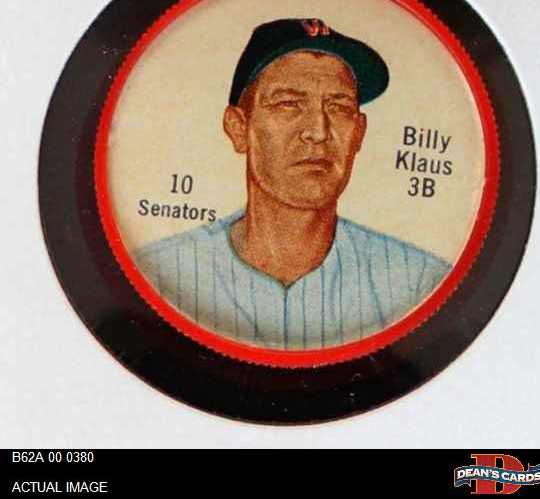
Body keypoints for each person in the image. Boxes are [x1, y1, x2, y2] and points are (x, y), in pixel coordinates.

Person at [135, 18, 450, 350]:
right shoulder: (160, 271)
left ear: (358, 133)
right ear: (239, 128)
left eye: (339, 108)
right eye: (288, 104)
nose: (318, 130)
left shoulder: (420, 281)